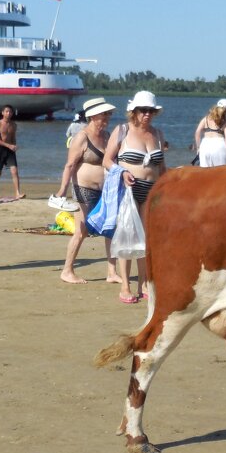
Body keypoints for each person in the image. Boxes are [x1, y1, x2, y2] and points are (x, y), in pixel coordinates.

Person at [104, 91, 167, 303]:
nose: (147, 114)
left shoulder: (157, 133)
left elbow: (162, 167)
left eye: (151, 110)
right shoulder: (122, 130)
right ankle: (125, 286)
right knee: (127, 237)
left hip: (152, 191)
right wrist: (121, 172)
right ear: (134, 111)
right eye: (143, 110)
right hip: (129, 189)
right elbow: (107, 160)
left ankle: (144, 283)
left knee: (146, 239)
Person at [57, 98, 121, 284]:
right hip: (83, 188)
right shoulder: (81, 137)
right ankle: (67, 270)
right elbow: (69, 165)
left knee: (110, 229)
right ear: (93, 116)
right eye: (104, 114)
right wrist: (62, 189)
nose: (107, 117)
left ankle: (112, 272)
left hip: (106, 189)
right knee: (82, 230)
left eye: (108, 114)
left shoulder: (108, 136)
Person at [0, 104, 25, 200]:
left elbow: (13, 138)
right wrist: (8, 145)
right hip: (0, 149)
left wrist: (14, 146)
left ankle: (17, 193)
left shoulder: (14, 125)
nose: (9, 113)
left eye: (10, 112)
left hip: (10, 150)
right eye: (6, 111)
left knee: (14, 171)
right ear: (2, 113)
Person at [194, 98, 226, 167]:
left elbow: (197, 132)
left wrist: (198, 148)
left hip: (205, 146)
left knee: (205, 174)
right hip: (219, 147)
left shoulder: (206, 119)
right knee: (221, 174)